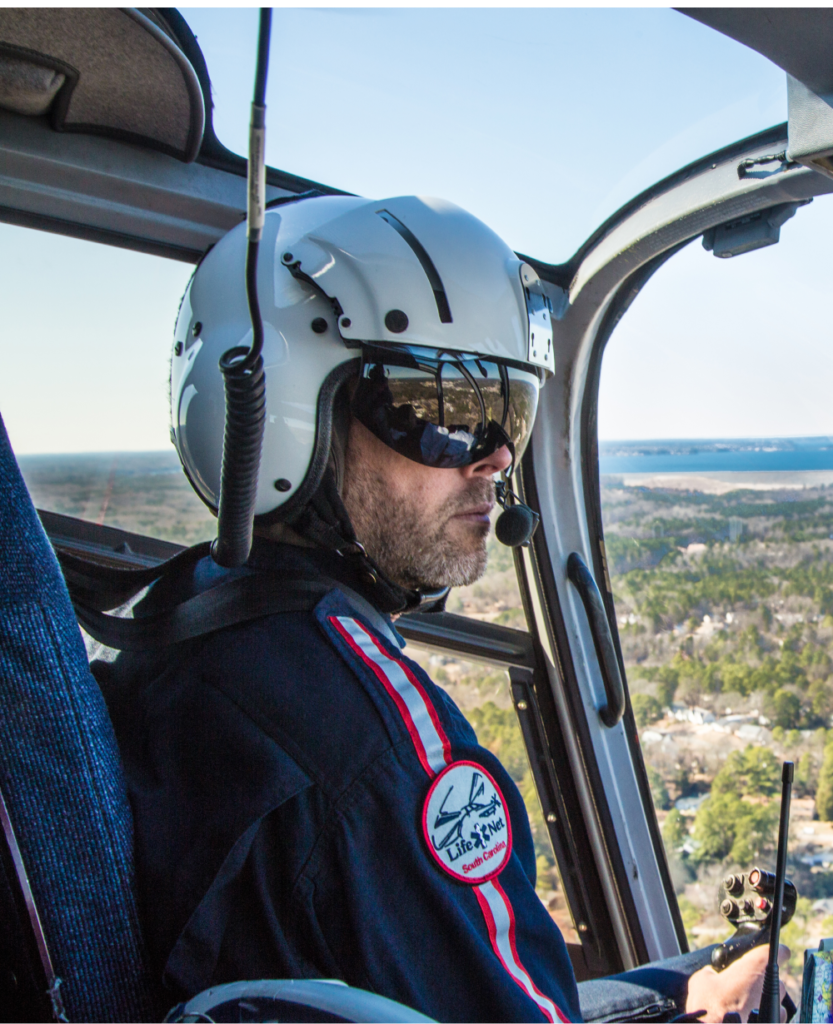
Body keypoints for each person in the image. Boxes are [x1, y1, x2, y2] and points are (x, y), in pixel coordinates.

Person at [95, 195, 786, 1024]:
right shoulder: (376, 743)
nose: (496, 456)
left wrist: (679, 997)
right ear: (282, 417)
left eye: (509, 415)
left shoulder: (178, 620)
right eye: (442, 413)